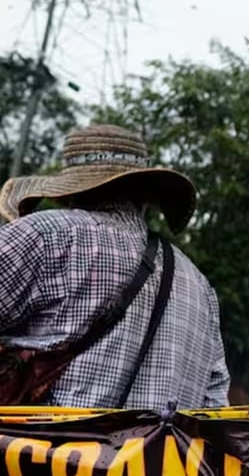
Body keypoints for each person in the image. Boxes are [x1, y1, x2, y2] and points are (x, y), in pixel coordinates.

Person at [0, 123, 230, 409]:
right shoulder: (200, 288)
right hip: (158, 454)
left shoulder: (47, 236)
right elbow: (215, 409)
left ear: (69, 191)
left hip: (42, 453)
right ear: (146, 195)